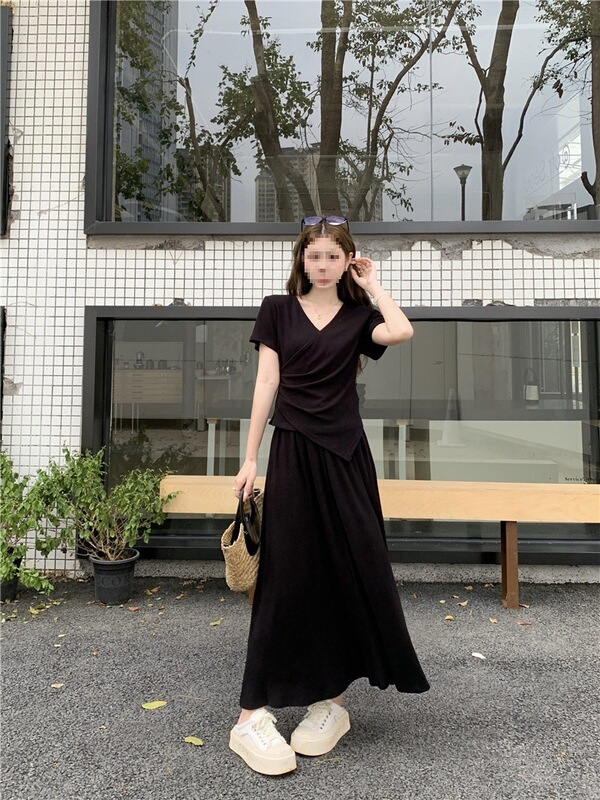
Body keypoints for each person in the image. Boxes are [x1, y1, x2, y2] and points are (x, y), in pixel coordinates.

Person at [230, 216, 429, 776]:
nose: (322, 265)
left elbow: (402, 331)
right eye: (314, 256)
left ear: (348, 262)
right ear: (302, 259)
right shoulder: (277, 309)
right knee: (287, 575)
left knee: (348, 568)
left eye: (333, 257)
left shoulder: (361, 316)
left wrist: (373, 285)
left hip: (346, 458)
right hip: (293, 453)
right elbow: (266, 382)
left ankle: (331, 703)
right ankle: (250, 717)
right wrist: (250, 458)